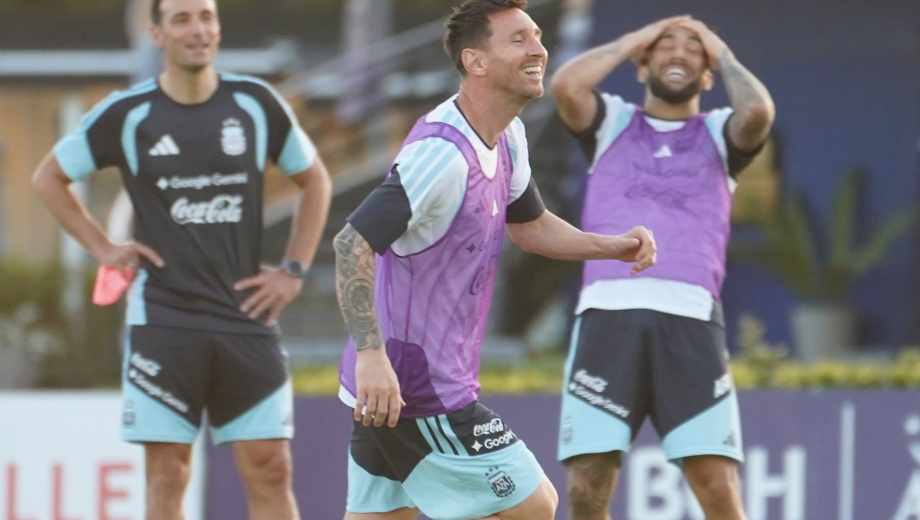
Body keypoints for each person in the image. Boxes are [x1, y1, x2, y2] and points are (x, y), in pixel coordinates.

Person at [332, 1, 657, 519]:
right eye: (519, 40)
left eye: (537, 36)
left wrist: (609, 245)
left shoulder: (509, 136)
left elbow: (528, 225)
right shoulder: (440, 155)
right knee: (533, 504)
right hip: (414, 387)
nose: (539, 49)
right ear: (475, 62)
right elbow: (351, 245)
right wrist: (372, 358)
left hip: (398, 386)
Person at [31, 0, 332, 517]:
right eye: (182, 19)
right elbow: (49, 178)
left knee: (271, 466)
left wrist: (294, 271)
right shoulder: (127, 114)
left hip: (248, 316)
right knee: (169, 474)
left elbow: (316, 180)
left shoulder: (256, 103)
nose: (198, 29)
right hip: (164, 321)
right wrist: (104, 247)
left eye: (207, 17)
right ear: (156, 33)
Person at [550, 15, 776, 520]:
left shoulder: (719, 132)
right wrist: (633, 39)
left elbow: (758, 109)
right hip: (607, 318)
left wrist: (721, 49)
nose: (678, 54)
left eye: (693, 50)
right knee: (587, 486)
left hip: (690, 322)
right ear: (641, 64)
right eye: (665, 46)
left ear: (709, 71)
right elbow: (564, 84)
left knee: (716, 485)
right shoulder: (610, 121)